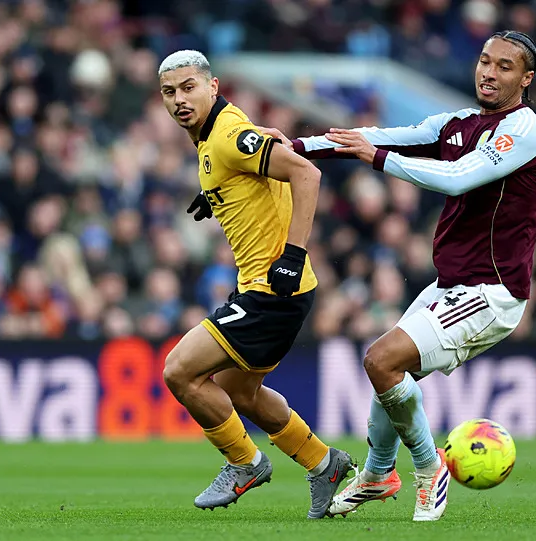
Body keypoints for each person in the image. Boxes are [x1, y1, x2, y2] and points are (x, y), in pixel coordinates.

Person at [264, 30, 536, 521]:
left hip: (493, 291)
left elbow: (457, 176)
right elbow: (371, 138)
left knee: (381, 360)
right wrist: (291, 147)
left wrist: (374, 159)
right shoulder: (457, 123)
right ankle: (377, 474)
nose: (488, 72)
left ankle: (427, 466)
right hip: (451, 284)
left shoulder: (523, 129)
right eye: (484, 60)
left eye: (504, 66)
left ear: (526, 78)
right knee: (388, 372)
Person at [157, 50, 352, 519]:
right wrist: (218, 192)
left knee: (180, 372)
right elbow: (255, 149)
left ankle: (244, 462)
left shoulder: (225, 136)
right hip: (272, 289)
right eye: (169, 92)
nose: (179, 99)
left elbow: (306, 172)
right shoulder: (217, 134)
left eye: (189, 88)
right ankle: (324, 464)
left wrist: (293, 254)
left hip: (274, 289)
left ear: (213, 87)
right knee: (240, 392)